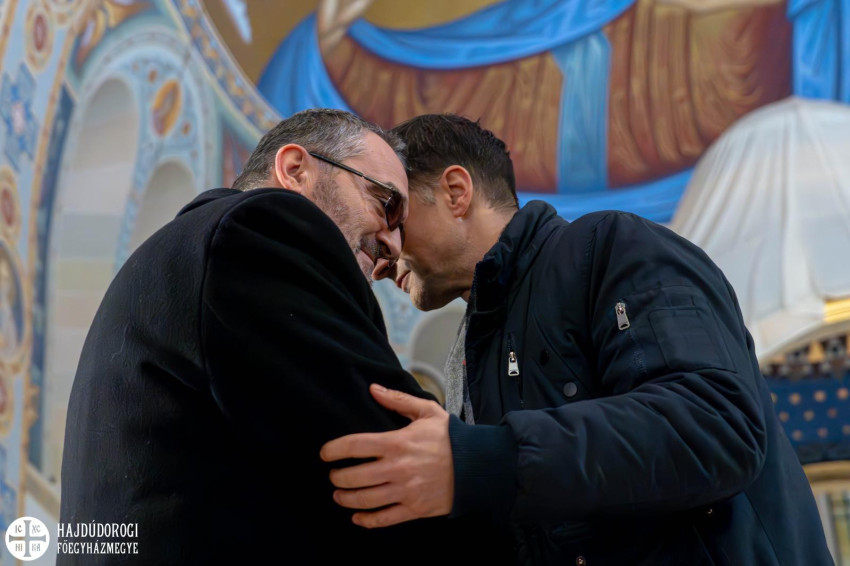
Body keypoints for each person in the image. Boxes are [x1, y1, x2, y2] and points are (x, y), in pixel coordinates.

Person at [321, 114, 833, 564]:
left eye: (395, 213)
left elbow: (716, 424)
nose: (382, 254)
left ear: (457, 192)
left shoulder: (611, 247)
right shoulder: (476, 347)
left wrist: (482, 459)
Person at [58, 109, 503, 565]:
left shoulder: (189, 251)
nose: (392, 247)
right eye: (385, 204)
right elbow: (381, 457)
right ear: (295, 169)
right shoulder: (259, 229)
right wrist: (486, 469)